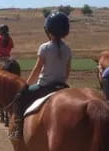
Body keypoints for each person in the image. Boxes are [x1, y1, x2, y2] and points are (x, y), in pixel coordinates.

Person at [10, 11, 72, 140]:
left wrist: (26, 86)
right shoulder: (68, 49)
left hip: (44, 86)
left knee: (20, 98)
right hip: (63, 86)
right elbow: (67, 71)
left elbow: (37, 69)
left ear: (48, 30)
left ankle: (19, 129)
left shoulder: (44, 47)